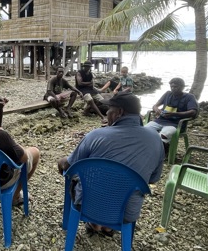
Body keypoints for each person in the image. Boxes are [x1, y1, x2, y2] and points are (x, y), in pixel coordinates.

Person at [57, 92, 164, 235]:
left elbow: (68, 166)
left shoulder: (96, 136)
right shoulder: (155, 138)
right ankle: (108, 227)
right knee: (123, 183)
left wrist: (62, 161)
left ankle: (94, 222)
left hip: (89, 207)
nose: (106, 113)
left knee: (76, 177)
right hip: (127, 212)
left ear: (119, 112)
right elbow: (153, 178)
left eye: (109, 109)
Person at [145, 77, 198, 144]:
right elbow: (155, 106)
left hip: (176, 123)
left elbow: (193, 112)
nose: (173, 88)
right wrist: (157, 110)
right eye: (171, 87)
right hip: (160, 120)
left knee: (163, 135)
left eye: (175, 87)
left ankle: (163, 151)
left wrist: (174, 114)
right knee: (145, 131)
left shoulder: (189, 97)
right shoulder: (168, 94)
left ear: (182, 87)